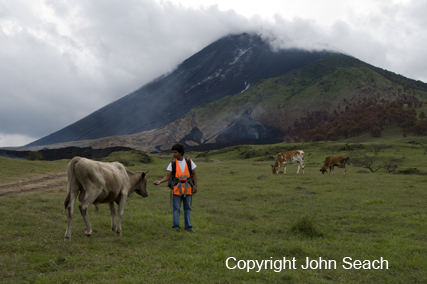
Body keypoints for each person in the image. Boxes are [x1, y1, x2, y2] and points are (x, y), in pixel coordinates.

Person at [153, 143, 198, 232]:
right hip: (177, 189)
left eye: (175, 152)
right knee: (176, 209)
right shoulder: (172, 163)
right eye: (173, 152)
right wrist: (160, 181)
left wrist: (195, 186)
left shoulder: (189, 162)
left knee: (187, 208)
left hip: (188, 188)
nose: (174, 154)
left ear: (181, 153)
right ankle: (176, 227)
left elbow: (194, 174)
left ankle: (188, 227)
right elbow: (168, 176)